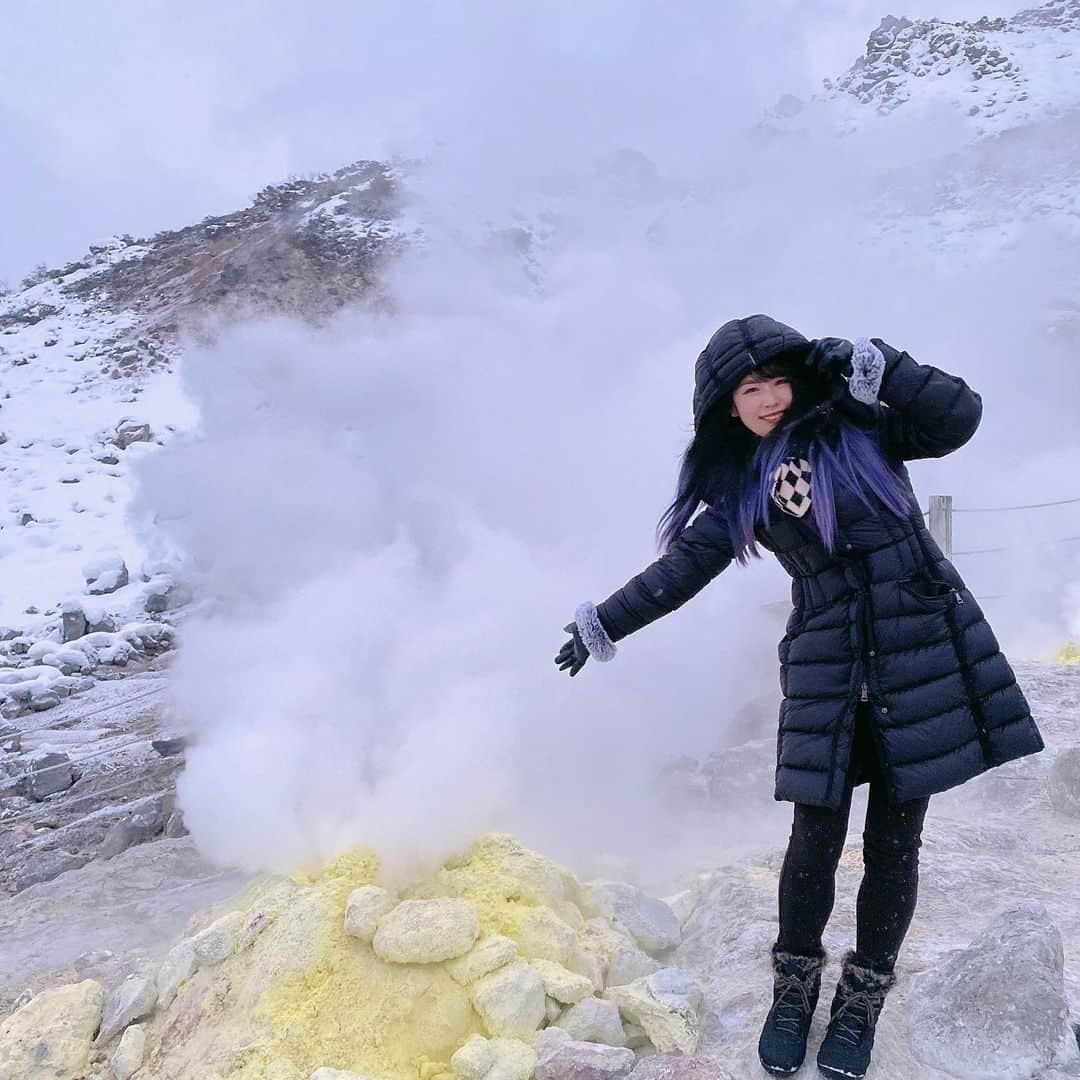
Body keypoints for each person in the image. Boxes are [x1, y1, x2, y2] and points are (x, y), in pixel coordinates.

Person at [553, 314, 1045, 1079]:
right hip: (826, 664)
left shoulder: (865, 425)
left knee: (894, 842)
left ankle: (864, 994)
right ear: (725, 405)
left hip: (918, 654)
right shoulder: (740, 489)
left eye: (779, 380)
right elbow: (678, 573)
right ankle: (795, 985)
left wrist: (876, 363)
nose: (770, 399)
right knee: (813, 837)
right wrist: (601, 624)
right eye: (751, 389)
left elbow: (959, 416)